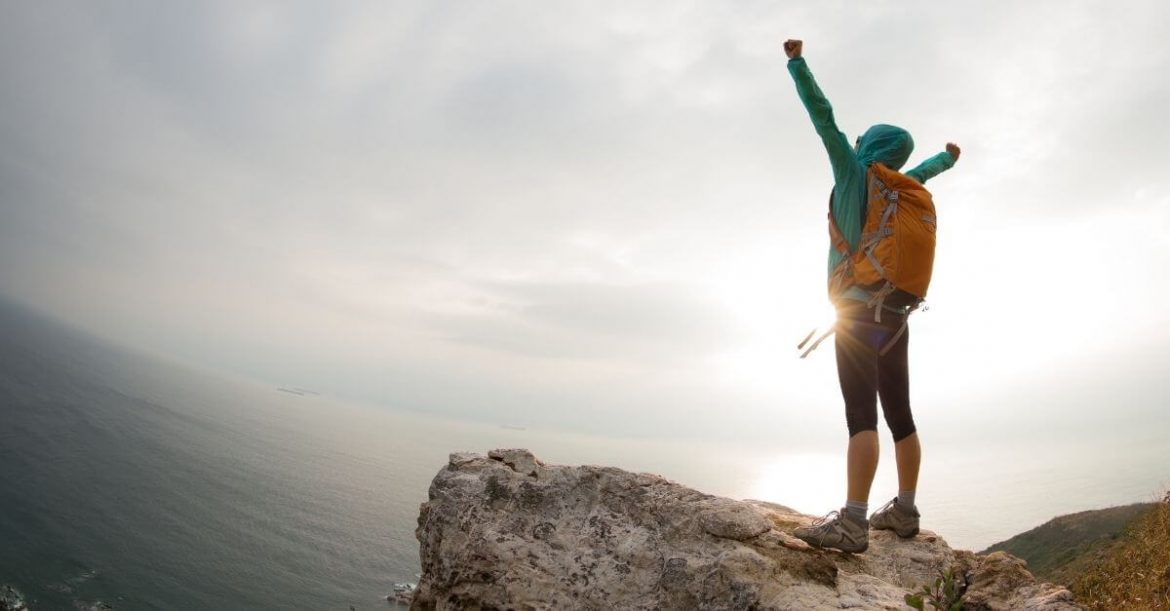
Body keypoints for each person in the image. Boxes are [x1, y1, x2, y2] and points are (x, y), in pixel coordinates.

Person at [783, 39, 961, 553]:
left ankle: (853, 522)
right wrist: (946, 160)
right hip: (896, 316)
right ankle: (905, 510)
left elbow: (825, 120)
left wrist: (797, 64)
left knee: (860, 415)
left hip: (857, 315)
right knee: (900, 413)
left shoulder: (852, 174)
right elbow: (923, 172)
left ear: (868, 148)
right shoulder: (899, 187)